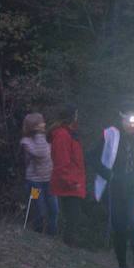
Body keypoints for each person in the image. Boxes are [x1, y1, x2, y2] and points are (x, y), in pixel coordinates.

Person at [95, 106, 134, 268]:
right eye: (128, 121)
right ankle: (122, 266)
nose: (131, 125)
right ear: (122, 119)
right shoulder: (111, 134)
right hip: (117, 186)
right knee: (119, 226)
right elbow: (92, 156)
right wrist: (107, 174)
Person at [48, 104, 86, 246]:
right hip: (68, 182)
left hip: (73, 180)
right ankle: (68, 243)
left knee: (72, 215)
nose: (78, 118)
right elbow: (62, 161)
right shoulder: (63, 135)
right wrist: (70, 181)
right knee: (72, 215)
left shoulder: (69, 134)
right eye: (76, 115)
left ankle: (68, 242)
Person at [20, 112, 57, 235]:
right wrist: (39, 134)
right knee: (39, 210)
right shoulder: (26, 142)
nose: (44, 124)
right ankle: (37, 234)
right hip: (34, 182)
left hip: (49, 181)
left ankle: (52, 237)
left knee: (54, 210)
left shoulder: (47, 139)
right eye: (41, 122)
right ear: (35, 125)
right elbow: (40, 153)